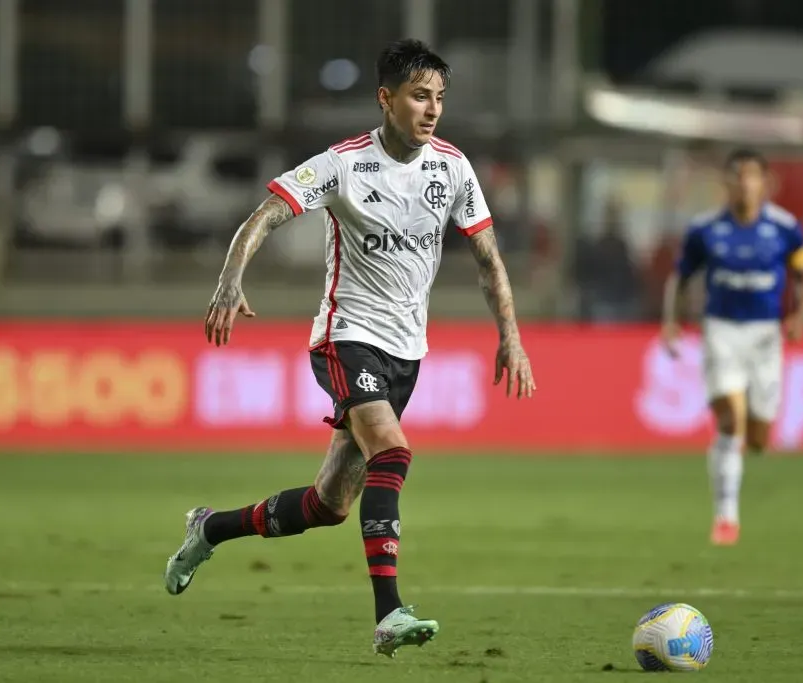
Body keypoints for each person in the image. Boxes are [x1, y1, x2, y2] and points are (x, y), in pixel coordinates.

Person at [163, 39, 536, 657]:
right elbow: (263, 216)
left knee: (328, 505)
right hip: (345, 337)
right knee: (392, 451)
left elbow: (488, 259)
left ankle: (210, 528)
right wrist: (230, 281)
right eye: (420, 96)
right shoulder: (342, 165)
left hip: (406, 355)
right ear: (386, 100)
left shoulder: (453, 168)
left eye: (440, 98)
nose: (433, 109)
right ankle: (388, 614)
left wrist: (512, 337)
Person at [661, 148, 803, 546]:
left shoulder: (785, 228)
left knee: (761, 438)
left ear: (765, 183)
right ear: (726, 183)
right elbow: (679, 278)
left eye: (750, 176)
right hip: (721, 330)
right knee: (731, 421)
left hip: (766, 336)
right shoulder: (705, 229)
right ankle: (726, 516)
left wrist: (800, 315)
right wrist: (671, 320)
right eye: (736, 176)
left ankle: (746, 443)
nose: (743, 183)